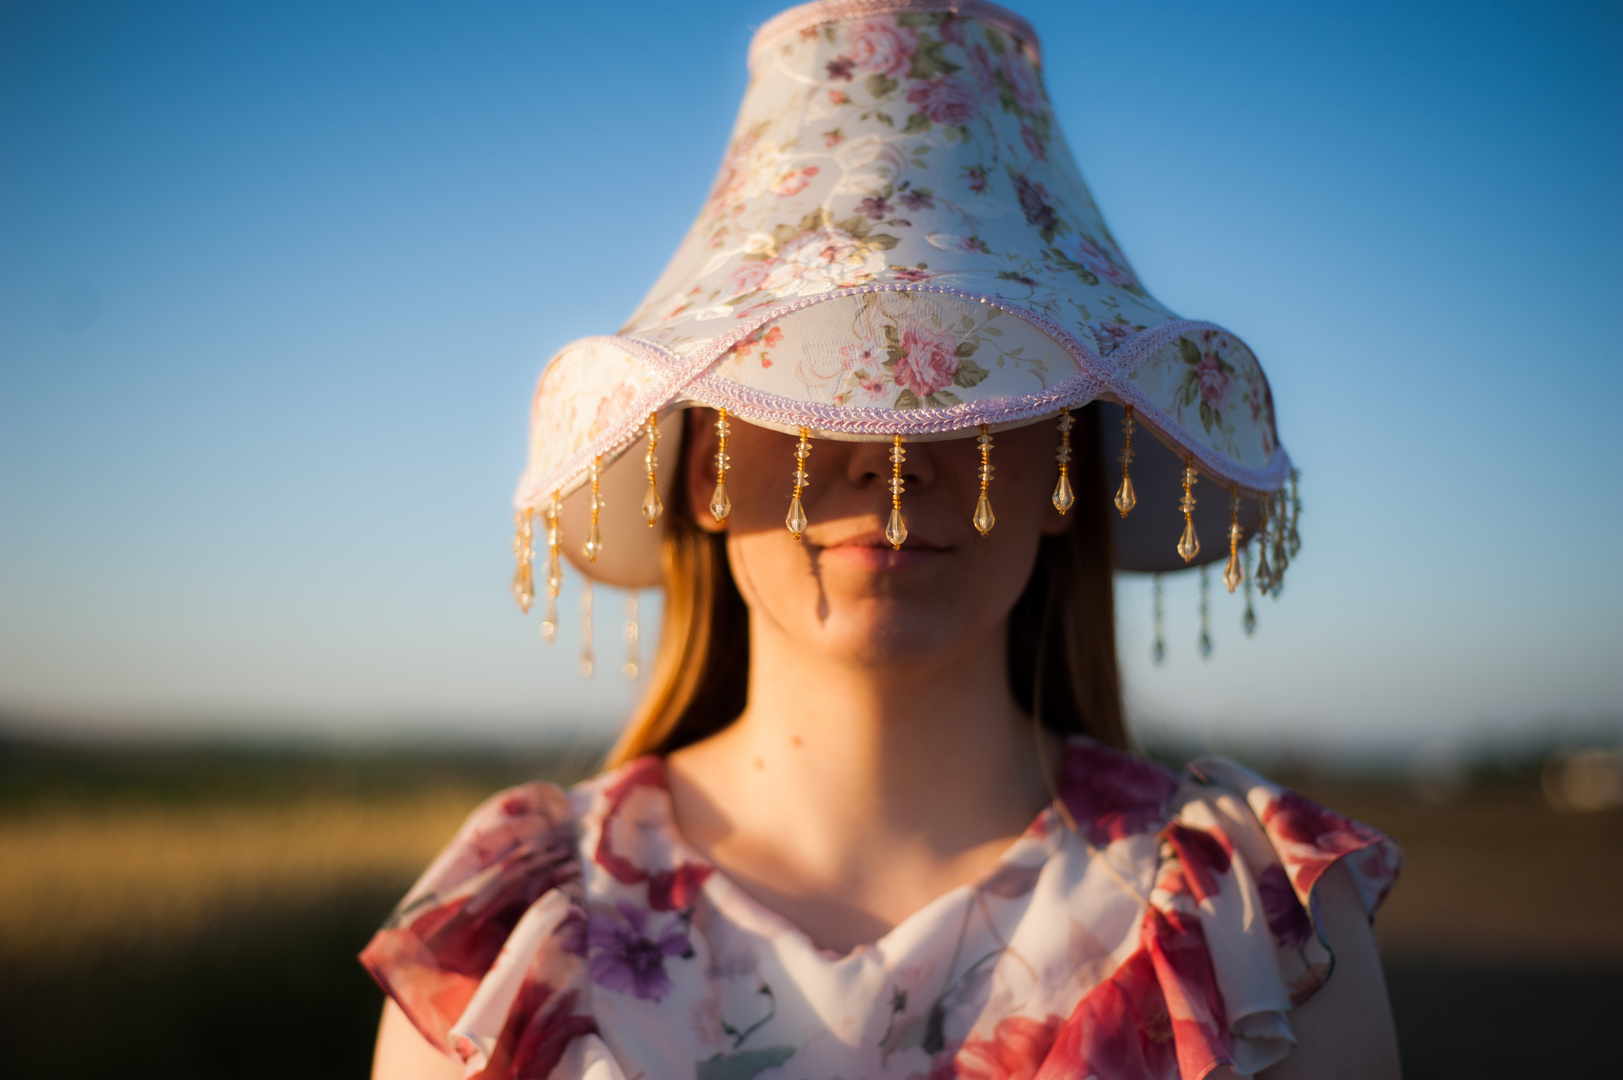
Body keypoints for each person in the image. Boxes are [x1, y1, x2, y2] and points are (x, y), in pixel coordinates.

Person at [364, 3, 1402, 1077]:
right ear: (707, 470)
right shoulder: (520, 929)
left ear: (1063, 471)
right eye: (809, 384)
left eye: (973, 375)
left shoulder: (1254, 926)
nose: (890, 452)